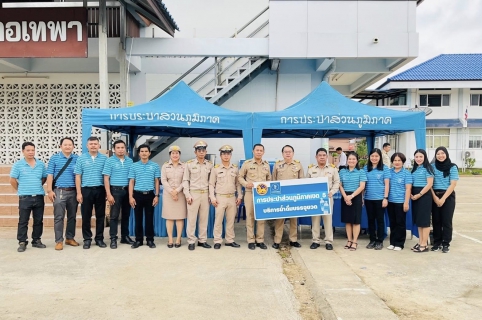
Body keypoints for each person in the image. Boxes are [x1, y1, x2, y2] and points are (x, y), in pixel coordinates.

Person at [10, 142, 47, 252]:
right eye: (28, 150)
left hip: (39, 196)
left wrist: (36, 186)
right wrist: (21, 189)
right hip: (25, 197)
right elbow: (12, 180)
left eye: (32, 150)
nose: (31, 152)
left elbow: (44, 178)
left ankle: (36, 240)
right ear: (23, 151)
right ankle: (22, 242)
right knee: (23, 221)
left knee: (38, 220)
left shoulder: (40, 164)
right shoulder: (18, 165)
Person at [74, 136, 108, 249]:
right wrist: (79, 193)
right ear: (87, 146)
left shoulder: (104, 159)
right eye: (91, 144)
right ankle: (87, 239)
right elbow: (78, 176)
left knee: (100, 216)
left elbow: (107, 176)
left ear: (99, 145)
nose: (93, 146)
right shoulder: (81, 159)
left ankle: (99, 238)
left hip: (100, 190)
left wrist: (108, 192)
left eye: (95, 144)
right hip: (86, 190)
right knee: (86, 216)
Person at [46, 137, 79, 251]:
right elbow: (49, 175)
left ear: (73, 146)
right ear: (61, 146)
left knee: (72, 217)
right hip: (59, 191)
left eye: (70, 144)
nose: (68, 146)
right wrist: (49, 190)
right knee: (59, 217)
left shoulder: (77, 158)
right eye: (65, 144)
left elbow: (79, 175)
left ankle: (70, 238)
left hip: (73, 191)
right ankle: (59, 241)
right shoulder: (54, 158)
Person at [238, 144, 271, 250]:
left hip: (262, 194)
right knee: (250, 217)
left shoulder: (266, 165)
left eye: (261, 150)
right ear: (253, 151)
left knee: (261, 217)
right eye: (257, 150)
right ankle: (251, 240)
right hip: (250, 193)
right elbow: (240, 176)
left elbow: (269, 179)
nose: (259, 152)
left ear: (263, 152)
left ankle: (260, 240)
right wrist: (246, 184)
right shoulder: (247, 164)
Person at [209, 145, 243, 249]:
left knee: (230, 220)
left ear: (231, 155)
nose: (226, 156)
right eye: (224, 154)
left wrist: (239, 196)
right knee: (218, 220)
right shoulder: (215, 169)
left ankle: (229, 240)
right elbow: (211, 184)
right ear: (220, 155)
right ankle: (217, 241)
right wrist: (212, 197)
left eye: (228, 154)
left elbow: (238, 184)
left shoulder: (235, 168)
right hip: (220, 198)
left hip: (232, 197)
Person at [306, 148, 340, 250]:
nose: (322, 157)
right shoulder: (311, 169)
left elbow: (337, 182)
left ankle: (328, 241)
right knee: (315, 220)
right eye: (319, 155)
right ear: (316, 157)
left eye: (324, 155)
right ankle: (315, 240)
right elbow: (306, 183)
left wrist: (332, 192)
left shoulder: (332, 169)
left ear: (326, 157)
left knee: (328, 220)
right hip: (315, 199)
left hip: (327, 198)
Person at [103, 140, 134, 249]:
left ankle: (125, 236)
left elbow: (131, 178)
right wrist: (109, 194)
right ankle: (113, 238)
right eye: (118, 148)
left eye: (122, 147)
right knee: (114, 216)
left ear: (125, 148)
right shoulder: (110, 161)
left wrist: (131, 194)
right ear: (114, 149)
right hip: (115, 190)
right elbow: (106, 178)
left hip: (127, 190)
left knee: (126, 215)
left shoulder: (130, 161)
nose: (121, 150)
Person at [183, 140, 213, 251]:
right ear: (195, 152)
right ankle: (191, 241)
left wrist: (211, 195)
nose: (201, 152)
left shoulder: (210, 164)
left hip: (205, 194)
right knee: (191, 219)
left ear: (206, 152)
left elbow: (211, 182)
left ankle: (202, 240)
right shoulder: (189, 164)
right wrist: (187, 194)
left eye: (203, 150)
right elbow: (185, 180)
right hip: (193, 194)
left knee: (204, 219)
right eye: (199, 150)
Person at [271, 145, 304, 249]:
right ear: (282, 154)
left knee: (294, 220)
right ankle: (277, 240)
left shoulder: (298, 165)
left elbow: (302, 181)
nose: (288, 153)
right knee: (279, 220)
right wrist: (275, 198)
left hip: (294, 197)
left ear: (293, 153)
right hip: (281, 197)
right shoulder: (277, 165)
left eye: (290, 152)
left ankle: (293, 240)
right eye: (285, 152)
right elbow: (273, 181)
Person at [128, 144, 160, 249]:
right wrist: (130, 197)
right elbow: (131, 181)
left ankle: (150, 240)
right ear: (139, 153)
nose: (144, 153)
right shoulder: (134, 166)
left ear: (149, 153)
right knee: (138, 219)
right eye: (142, 151)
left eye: (146, 151)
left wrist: (156, 195)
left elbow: (157, 181)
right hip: (137, 195)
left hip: (150, 195)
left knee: (149, 219)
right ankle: (138, 240)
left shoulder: (155, 166)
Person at [430, 147, 458, 253]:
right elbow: (430, 184)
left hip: (448, 196)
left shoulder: (452, 167)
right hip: (434, 195)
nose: (440, 155)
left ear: (446, 154)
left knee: (446, 221)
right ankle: (437, 242)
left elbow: (453, 184)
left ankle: (446, 243)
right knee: (436, 221)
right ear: (435, 155)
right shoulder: (432, 167)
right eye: (438, 154)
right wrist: (435, 198)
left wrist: (443, 199)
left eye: (442, 153)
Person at [363, 148, 390, 250]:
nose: (374, 158)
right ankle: (372, 240)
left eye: (376, 156)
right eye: (372, 156)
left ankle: (380, 241)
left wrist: (385, 198)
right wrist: (362, 197)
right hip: (368, 198)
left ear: (380, 157)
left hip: (380, 199)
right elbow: (363, 184)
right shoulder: (366, 168)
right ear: (369, 157)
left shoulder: (385, 168)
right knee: (370, 220)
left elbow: (387, 184)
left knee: (380, 220)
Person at [339, 152, 366, 251]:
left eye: (353, 159)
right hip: (345, 196)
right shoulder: (342, 171)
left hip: (356, 196)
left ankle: (354, 242)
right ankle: (349, 240)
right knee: (348, 221)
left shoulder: (361, 172)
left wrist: (352, 196)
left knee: (356, 221)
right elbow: (340, 185)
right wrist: (346, 197)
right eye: (349, 159)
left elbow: (362, 186)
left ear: (357, 160)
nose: (351, 161)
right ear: (347, 160)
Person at [161, 145, 187, 248]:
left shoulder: (184, 166)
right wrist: (172, 191)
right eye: (173, 153)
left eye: (177, 153)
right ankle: (170, 239)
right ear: (170, 155)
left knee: (180, 217)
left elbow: (185, 180)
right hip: (168, 195)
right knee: (169, 217)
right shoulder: (165, 166)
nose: (175, 155)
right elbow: (163, 180)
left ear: (179, 155)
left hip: (180, 194)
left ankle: (178, 239)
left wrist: (177, 191)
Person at [410, 149, 434, 253]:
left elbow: (429, 184)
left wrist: (419, 194)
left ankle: (424, 244)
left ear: (425, 158)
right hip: (415, 195)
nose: (418, 159)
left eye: (421, 157)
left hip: (424, 196)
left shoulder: (428, 168)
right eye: (416, 157)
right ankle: (420, 242)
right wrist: (411, 194)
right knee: (419, 221)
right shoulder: (414, 169)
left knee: (425, 221)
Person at [387, 152, 412, 251]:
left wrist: (406, 202)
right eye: (395, 160)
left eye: (399, 160)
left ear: (403, 162)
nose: (397, 162)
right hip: (390, 201)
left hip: (401, 201)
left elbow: (408, 189)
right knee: (392, 222)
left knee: (400, 223)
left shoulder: (406, 173)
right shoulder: (389, 172)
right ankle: (392, 242)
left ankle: (399, 243)